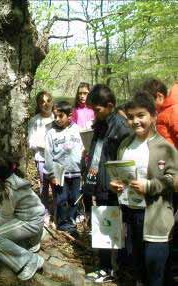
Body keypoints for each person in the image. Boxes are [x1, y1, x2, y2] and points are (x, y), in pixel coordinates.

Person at [110, 91, 178, 286]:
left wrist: (150, 186)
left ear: (153, 116)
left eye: (141, 115)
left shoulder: (164, 147)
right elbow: (119, 173)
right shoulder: (125, 144)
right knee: (137, 268)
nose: (135, 121)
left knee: (155, 272)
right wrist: (115, 184)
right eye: (131, 117)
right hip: (129, 215)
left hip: (154, 218)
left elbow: (174, 180)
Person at [83, 84, 132, 283]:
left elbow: (126, 159)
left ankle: (116, 267)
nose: (95, 114)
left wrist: (120, 182)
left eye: (97, 110)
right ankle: (105, 267)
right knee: (103, 226)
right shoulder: (101, 124)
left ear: (110, 105)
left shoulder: (121, 126)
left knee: (114, 228)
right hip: (100, 183)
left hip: (114, 187)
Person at [0, 153, 46, 281]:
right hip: (37, 219)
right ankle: (33, 242)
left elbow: (5, 218)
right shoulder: (16, 179)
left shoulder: (9, 189)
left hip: (30, 223)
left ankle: (29, 260)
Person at [43, 101, 84, 234]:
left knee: (74, 197)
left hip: (76, 171)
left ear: (69, 115)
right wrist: (51, 174)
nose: (57, 119)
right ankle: (62, 222)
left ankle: (71, 220)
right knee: (62, 198)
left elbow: (84, 147)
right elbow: (48, 154)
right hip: (60, 173)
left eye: (61, 116)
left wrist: (85, 162)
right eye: (55, 116)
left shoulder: (78, 129)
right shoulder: (51, 133)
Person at [28, 91, 54, 225]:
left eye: (48, 101)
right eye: (42, 102)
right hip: (42, 158)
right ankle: (45, 212)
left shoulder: (57, 117)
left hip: (56, 159)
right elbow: (30, 142)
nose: (46, 104)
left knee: (57, 187)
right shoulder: (35, 120)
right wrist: (42, 145)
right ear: (38, 104)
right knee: (44, 186)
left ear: (52, 102)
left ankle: (57, 212)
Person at [142, 79, 178, 149]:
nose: (148, 104)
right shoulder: (161, 111)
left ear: (160, 96)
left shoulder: (174, 111)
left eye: (149, 101)